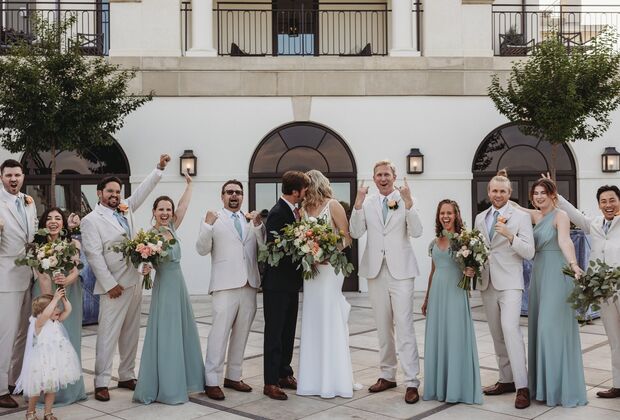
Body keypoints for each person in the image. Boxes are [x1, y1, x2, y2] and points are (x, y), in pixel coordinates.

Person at [81, 154, 170, 402]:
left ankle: (126, 374)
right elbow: (94, 256)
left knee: (131, 332)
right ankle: (101, 381)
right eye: (110, 191)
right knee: (108, 334)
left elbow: (142, 192)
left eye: (117, 192)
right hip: (114, 287)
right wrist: (110, 285)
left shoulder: (125, 208)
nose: (115, 195)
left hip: (135, 282)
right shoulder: (91, 221)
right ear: (99, 193)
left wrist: (159, 169)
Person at [349, 160, 423, 404]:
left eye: (386, 175)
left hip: (401, 272)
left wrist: (409, 203)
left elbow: (417, 231)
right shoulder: (367, 203)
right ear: (373, 178)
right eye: (379, 175)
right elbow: (356, 232)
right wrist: (357, 204)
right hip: (376, 271)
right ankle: (387, 375)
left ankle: (411, 381)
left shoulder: (405, 199)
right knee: (382, 327)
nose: (383, 178)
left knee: (405, 326)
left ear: (394, 176)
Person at [512, 178, 587, 407]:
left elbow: (565, 241)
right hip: (539, 275)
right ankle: (542, 388)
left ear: (553, 194)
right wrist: (503, 187)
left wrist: (574, 264)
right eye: (535, 193)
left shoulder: (560, 216)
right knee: (539, 329)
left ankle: (558, 388)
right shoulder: (535, 216)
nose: (539, 197)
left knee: (550, 330)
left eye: (543, 192)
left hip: (557, 273)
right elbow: (515, 207)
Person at [134, 172, 205, 404]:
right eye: (161, 209)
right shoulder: (149, 236)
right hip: (164, 287)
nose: (165, 213)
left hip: (179, 284)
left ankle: (185, 381)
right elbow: (143, 263)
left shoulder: (172, 227)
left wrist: (190, 185)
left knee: (182, 332)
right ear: (153, 212)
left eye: (168, 209)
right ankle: (167, 386)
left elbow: (183, 206)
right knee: (167, 333)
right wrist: (145, 268)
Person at [196, 180, 265, 400]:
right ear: (222, 196)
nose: (234, 195)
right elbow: (201, 249)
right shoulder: (214, 219)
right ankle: (212, 381)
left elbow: (264, 248)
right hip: (224, 285)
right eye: (230, 192)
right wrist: (207, 225)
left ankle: (234, 376)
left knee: (242, 334)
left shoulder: (250, 220)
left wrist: (258, 226)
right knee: (219, 334)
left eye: (238, 192)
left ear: (242, 196)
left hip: (249, 284)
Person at [474, 170, 534, 409]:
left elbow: (529, 251)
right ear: (488, 192)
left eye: (502, 191)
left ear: (510, 193)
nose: (498, 195)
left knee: (510, 330)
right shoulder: (480, 218)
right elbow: (480, 249)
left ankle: (522, 387)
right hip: (487, 282)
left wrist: (510, 236)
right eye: (494, 191)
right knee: (497, 333)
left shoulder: (520, 217)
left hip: (510, 282)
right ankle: (506, 379)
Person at [556, 183, 620, 399]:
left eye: (612, 200)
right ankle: (618, 384)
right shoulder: (595, 224)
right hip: (604, 291)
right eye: (604, 201)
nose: (608, 205)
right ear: (599, 205)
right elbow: (574, 214)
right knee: (614, 339)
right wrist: (556, 195)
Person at [297, 170, 354, 398]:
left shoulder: (333, 205)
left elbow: (346, 237)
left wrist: (328, 253)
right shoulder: (303, 209)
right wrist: (309, 254)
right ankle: (312, 379)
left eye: (305, 185)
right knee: (313, 317)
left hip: (330, 268)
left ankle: (334, 379)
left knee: (330, 315)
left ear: (313, 184)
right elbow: (300, 238)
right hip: (311, 270)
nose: (302, 190)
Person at [421, 199, 482, 405]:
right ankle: (439, 387)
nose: (445, 216)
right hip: (437, 294)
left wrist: (470, 271)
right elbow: (433, 271)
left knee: (455, 336)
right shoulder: (434, 242)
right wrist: (427, 298)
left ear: (456, 215)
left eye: (449, 213)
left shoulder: (464, 241)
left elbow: (471, 267)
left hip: (456, 292)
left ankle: (457, 388)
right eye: (442, 213)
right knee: (439, 337)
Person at [30, 208, 86, 406]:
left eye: (58, 218)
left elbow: (76, 270)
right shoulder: (36, 246)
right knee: (45, 340)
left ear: (63, 223)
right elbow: (41, 276)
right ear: (43, 224)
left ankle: (69, 391)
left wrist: (64, 282)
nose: (53, 222)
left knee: (69, 338)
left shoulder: (74, 244)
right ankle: (44, 390)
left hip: (69, 293)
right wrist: (50, 302)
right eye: (49, 218)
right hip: (45, 294)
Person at [262, 170, 310, 401]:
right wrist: (303, 246)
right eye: (304, 190)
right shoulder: (277, 213)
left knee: (288, 331)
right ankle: (270, 382)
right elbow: (275, 247)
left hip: (291, 282)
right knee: (275, 333)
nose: (306, 193)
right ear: (296, 191)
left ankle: (284, 373)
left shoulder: (293, 211)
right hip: (276, 284)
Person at [0, 159, 37, 409]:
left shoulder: (28, 201)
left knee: (23, 333)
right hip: (6, 276)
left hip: (29, 274)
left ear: (23, 176)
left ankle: (14, 380)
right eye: (9, 175)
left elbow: (31, 232)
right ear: (1, 177)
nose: (14, 179)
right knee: (6, 335)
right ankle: (1, 389)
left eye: (17, 175)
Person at [15, 289, 81, 420]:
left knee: (51, 388)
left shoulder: (55, 321)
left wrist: (63, 298)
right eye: (55, 307)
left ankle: (48, 413)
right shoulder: (38, 323)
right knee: (35, 390)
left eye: (57, 306)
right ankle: (30, 412)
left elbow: (68, 310)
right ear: (42, 311)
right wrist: (55, 299)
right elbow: (45, 315)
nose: (58, 309)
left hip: (53, 363)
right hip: (39, 363)